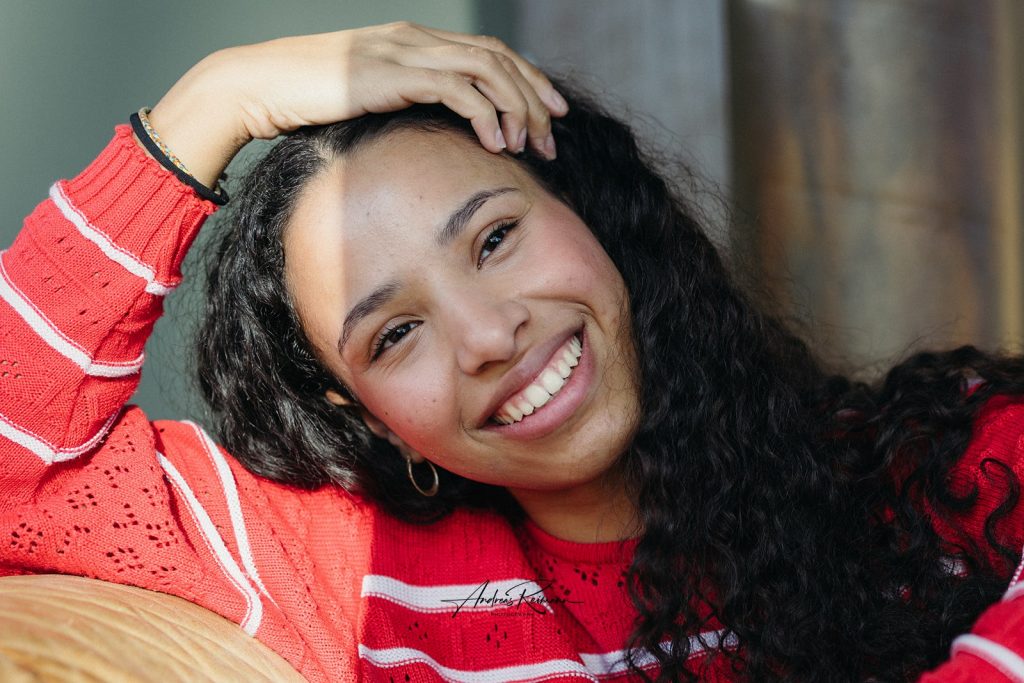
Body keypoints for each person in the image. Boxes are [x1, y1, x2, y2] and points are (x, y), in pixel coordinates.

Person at [2, 22, 1024, 683]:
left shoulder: (939, 462)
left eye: (494, 239)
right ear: (357, 407)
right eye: (396, 332)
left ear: (596, 222)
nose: (490, 336)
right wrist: (214, 100)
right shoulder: (352, 575)